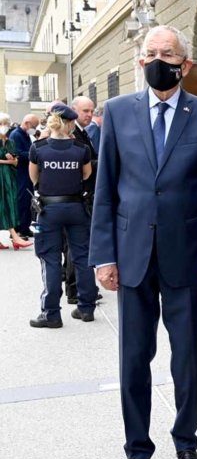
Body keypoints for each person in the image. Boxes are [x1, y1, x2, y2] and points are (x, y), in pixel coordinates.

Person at [89, 25, 197, 459]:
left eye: (167, 54)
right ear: (138, 61)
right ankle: (137, 452)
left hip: (188, 259)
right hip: (131, 257)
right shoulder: (117, 112)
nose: (157, 60)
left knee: (189, 359)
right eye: (149, 53)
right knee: (134, 359)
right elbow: (105, 189)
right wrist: (103, 254)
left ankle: (187, 445)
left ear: (185, 64)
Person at [27, 104, 98, 327]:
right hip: (76, 207)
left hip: (49, 209)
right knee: (82, 257)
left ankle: (51, 313)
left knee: (50, 258)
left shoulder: (38, 148)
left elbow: (34, 179)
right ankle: (86, 308)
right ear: (69, 123)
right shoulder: (80, 148)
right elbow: (86, 174)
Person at [66, 96, 99, 305]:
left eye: (91, 111)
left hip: (85, 195)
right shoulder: (72, 134)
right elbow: (82, 163)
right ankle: (74, 289)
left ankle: (81, 287)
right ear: (74, 110)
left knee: (81, 244)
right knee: (75, 245)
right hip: (78, 195)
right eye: (85, 110)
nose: (89, 114)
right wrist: (103, 161)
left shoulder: (83, 131)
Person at [0, 113, 32, 250]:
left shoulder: (9, 141)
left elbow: (16, 162)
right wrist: (8, 160)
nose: (3, 127)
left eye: (5, 124)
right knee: (4, 205)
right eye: (1, 124)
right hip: (1, 177)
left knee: (10, 204)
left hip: (10, 177)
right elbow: (12, 160)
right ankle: (15, 236)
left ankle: (15, 236)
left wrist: (10, 161)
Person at [9, 113, 39, 238]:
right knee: (21, 201)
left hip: (26, 173)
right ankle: (18, 229)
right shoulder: (16, 135)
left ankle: (25, 227)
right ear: (26, 123)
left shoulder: (25, 134)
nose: (35, 129)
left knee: (27, 200)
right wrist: (33, 154)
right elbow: (16, 153)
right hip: (20, 173)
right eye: (34, 126)